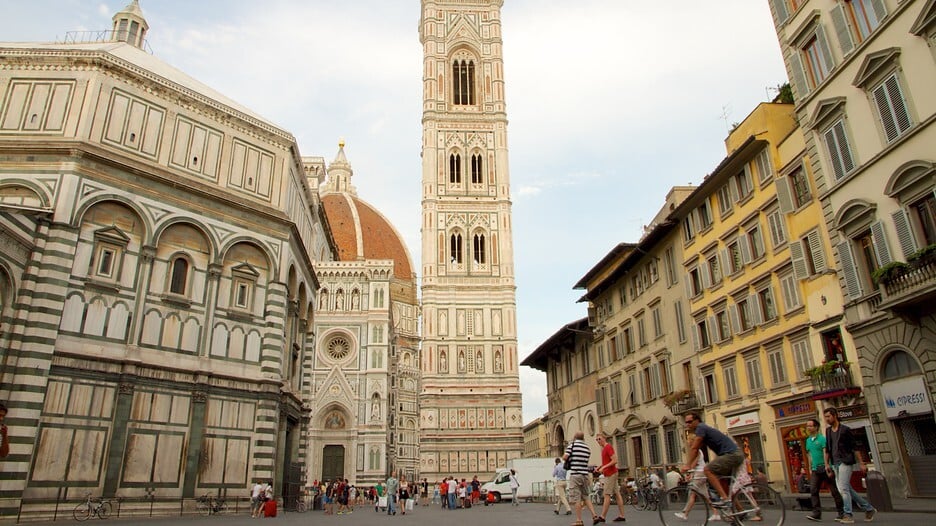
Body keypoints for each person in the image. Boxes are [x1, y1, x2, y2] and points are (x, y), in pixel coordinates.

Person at [823, 408, 875, 524]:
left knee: (844, 489)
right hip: (835, 463)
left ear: (835, 416)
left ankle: (848, 514)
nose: (827, 419)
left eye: (828, 416)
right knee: (846, 489)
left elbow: (855, 447)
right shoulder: (828, 431)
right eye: (825, 417)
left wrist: (861, 463)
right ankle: (868, 508)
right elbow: (827, 448)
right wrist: (827, 464)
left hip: (845, 462)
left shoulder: (845, 430)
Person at [681, 411, 744, 503]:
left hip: (732, 454)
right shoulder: (703, 429)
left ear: (697, 420)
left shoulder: (701, 428)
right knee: (723, 483)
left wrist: (688, 465)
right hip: (733, 454)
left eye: (690, 422)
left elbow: (695, 448)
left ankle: (724, 499)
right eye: (686, 422)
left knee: (707, 470)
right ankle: (740, 512)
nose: (687, 424)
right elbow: (696, 449)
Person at [563, 431, 600, 526]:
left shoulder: (572, 445)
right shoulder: (587, 448)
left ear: (575, 437)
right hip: (585, 475)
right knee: (586, 496)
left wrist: (570, 459)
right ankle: (594, 515)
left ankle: (579, 520)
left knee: (577, 498)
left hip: (575, 474)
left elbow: (565, 457)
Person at [595, 432, 627, 522]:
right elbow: (607, 461)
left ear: (604, 438)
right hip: (610, 473)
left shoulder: (608, 447)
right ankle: (622, 515)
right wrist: (600, 466)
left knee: (607, 494)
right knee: (617, 493)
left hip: (610, 474)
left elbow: (615, 460)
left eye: (599, 439)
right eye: (597, 439)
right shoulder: (604, 449)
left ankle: (602, 516)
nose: (598, 441)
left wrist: (604, 467)